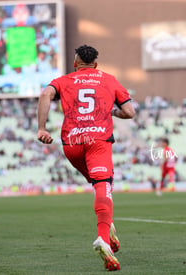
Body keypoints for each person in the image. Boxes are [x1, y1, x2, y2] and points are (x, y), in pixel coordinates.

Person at [37, 45, 135, 271]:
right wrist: (112, 111)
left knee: (100, 184)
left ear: (75, 63)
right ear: (96, 65)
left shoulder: (64, 80)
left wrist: (42, 128)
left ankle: (108, 223)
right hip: (97, 142)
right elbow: (129, 112)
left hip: (71, 145)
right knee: (104, 184)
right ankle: (103, 235)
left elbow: (45, 94)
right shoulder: (109, 80)